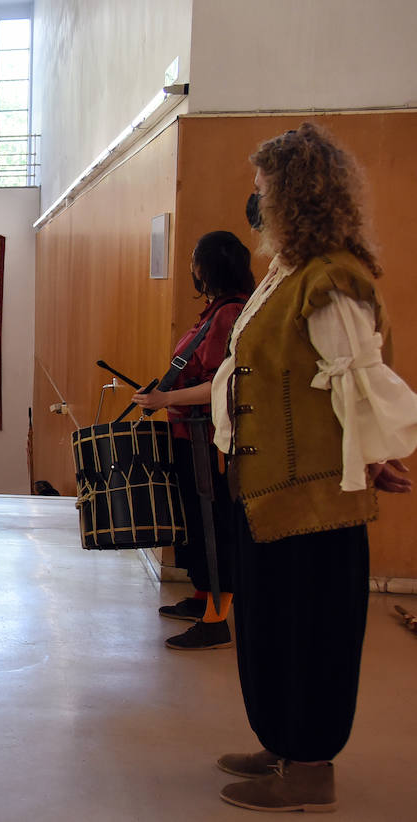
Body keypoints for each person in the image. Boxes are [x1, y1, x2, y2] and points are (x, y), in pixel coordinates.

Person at [210, 123, 417, 812]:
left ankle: (311, 765)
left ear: (295, 196)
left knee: (312, 629)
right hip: (265, 488)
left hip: (316, 495)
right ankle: (279, 742)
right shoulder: (283, 273)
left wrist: (376, 451)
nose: (257, 201)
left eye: (264, 190)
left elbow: (358, 377)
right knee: (269, 624)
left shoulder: (333, 279)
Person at [132, 231, 253, 651]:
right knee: (196, 523)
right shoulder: (215, 312)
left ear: (208, 268)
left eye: (194, 261)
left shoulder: (228, 315)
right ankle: (203, 598)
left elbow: (223, 385)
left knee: (213, 523)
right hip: (190, 434)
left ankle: (217, 621)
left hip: (207, 439)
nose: (192, 270)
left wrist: (166, 398)